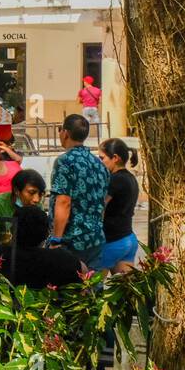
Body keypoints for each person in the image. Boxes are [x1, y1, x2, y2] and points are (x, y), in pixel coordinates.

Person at [49, 113, 110, 269]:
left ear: (66, 133)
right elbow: (102, 203)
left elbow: (63, 202)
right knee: (91, 289)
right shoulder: (100, 165)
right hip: (95, 238)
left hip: (72, 241)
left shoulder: (64, 161)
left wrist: (56, 239)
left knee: (68, 290)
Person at [0, 206, 83, 290]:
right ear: (46, 233)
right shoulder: (65, 259)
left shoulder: (0, 256)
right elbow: (85, 275)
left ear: (12, 230)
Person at [0, 168, 46, 263]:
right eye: (31, 193)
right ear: (16, 191)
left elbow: (39, 240)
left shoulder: (37, 206)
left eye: (40, 194)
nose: (36, 199)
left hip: (16, 256)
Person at [97, 138, 141, 274]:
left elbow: (100, 207)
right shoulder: (131, 178)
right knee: (125, 291)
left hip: (112, 242)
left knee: (91, 289)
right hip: (128, 239)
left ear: (115, 158)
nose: (100, 162)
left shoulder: (115, 179)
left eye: (102, 158)